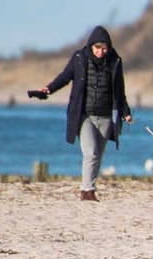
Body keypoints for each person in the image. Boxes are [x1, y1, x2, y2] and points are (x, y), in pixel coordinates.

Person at [36, 25, 133, 201]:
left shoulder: (115, 61)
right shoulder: (79, 58)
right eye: (98, 48)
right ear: (91, 46)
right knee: (91, 153)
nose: (101, 52)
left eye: (104, 48)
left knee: (98, 155)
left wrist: (125, 111)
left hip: (105, 116)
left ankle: (88, 188)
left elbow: (120, 90)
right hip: (84, 115)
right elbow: (65, 77)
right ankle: (87, 190)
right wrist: (49, 88)